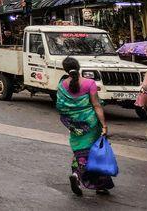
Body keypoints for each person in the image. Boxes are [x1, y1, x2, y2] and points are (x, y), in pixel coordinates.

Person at [57, 56, 113, 195]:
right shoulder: (89, 83)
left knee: (80, 151)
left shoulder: (62, 85)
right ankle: (95, 182)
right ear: (78, 67)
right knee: (95, 153)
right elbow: (96, 105)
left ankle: (78, 176)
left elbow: (60, 107)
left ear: (65, 69)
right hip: (91, 123)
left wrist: (72, 119)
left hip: (74, 124)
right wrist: (104, 125)